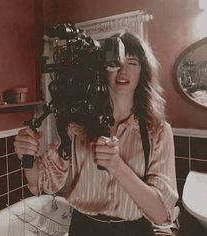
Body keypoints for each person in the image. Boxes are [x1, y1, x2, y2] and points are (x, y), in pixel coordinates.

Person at [14, 32, 178, 236]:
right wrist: (26, 156)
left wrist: (117, 166)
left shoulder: (158, 131)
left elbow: (162, 214)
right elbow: (44, 183)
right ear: (102, 70)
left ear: (142, 71)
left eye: (132, 62)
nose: (122, 70)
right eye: (115, 62)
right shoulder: (78, 124)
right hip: (84, 228)